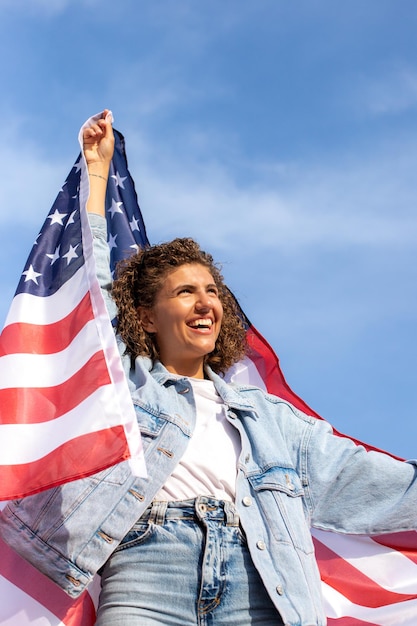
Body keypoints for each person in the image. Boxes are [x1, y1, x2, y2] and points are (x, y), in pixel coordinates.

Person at [1, 111, 417, 626]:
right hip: (148, 573)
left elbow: (379, 484)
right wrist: (96, 175)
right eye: (185, 292)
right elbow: (93, 284)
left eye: (212, 292)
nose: (206, 304)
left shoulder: (275, 421)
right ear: (148, 317)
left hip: (260, 580)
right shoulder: (126, 387)